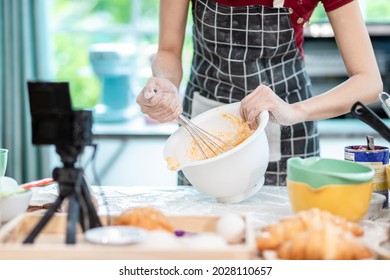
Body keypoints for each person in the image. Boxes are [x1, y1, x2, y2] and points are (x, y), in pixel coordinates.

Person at [136, 0, 383, 186]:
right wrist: (166, 84)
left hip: (289, 131)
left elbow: (369, 82)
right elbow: (167, 50)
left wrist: (295, 111)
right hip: (203, 125)